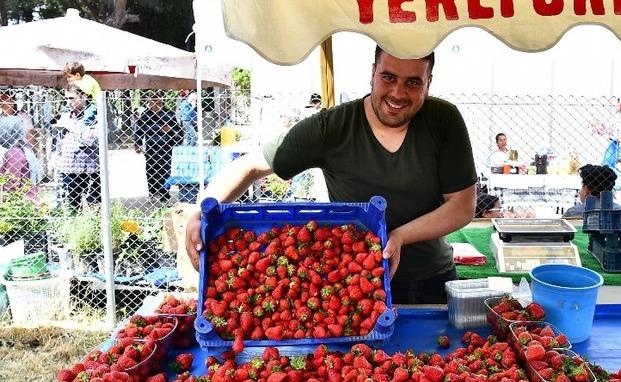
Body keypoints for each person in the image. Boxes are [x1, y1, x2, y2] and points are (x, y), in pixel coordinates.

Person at [185, 46, 477, 304]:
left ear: (428, 83)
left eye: (413, 82)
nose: (398, 93)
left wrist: (399, 236)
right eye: (388, 77)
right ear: (373, 73)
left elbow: (462, 205)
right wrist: (200, 212)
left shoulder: (443, 120)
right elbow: (250, 166)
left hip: (430, 281)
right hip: (353, 287)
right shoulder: (332, 127)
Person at [55, 84, 100, 210]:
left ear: (84, 96)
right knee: (71, 208)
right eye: (67, 98)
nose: (68, 102)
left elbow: (91, 139)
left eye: (72, 98)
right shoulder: (66, 115)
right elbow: (60, 140)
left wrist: (72, 126)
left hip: (91, 169)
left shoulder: (94, 116)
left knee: (94, 208)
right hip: (68, 168)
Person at [135, 91, 182, 203]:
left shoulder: (169, 114)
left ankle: (164, 194)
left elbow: (179, 132)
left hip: (166, 147)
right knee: (151, 170)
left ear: (162, 102)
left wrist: (170, 131)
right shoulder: (145, 115)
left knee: (165, 170)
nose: (155, 104)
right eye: (153, 101)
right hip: (151, 147)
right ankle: (152, 192)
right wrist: (137, 144)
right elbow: (139, 131)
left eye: (158, 101)